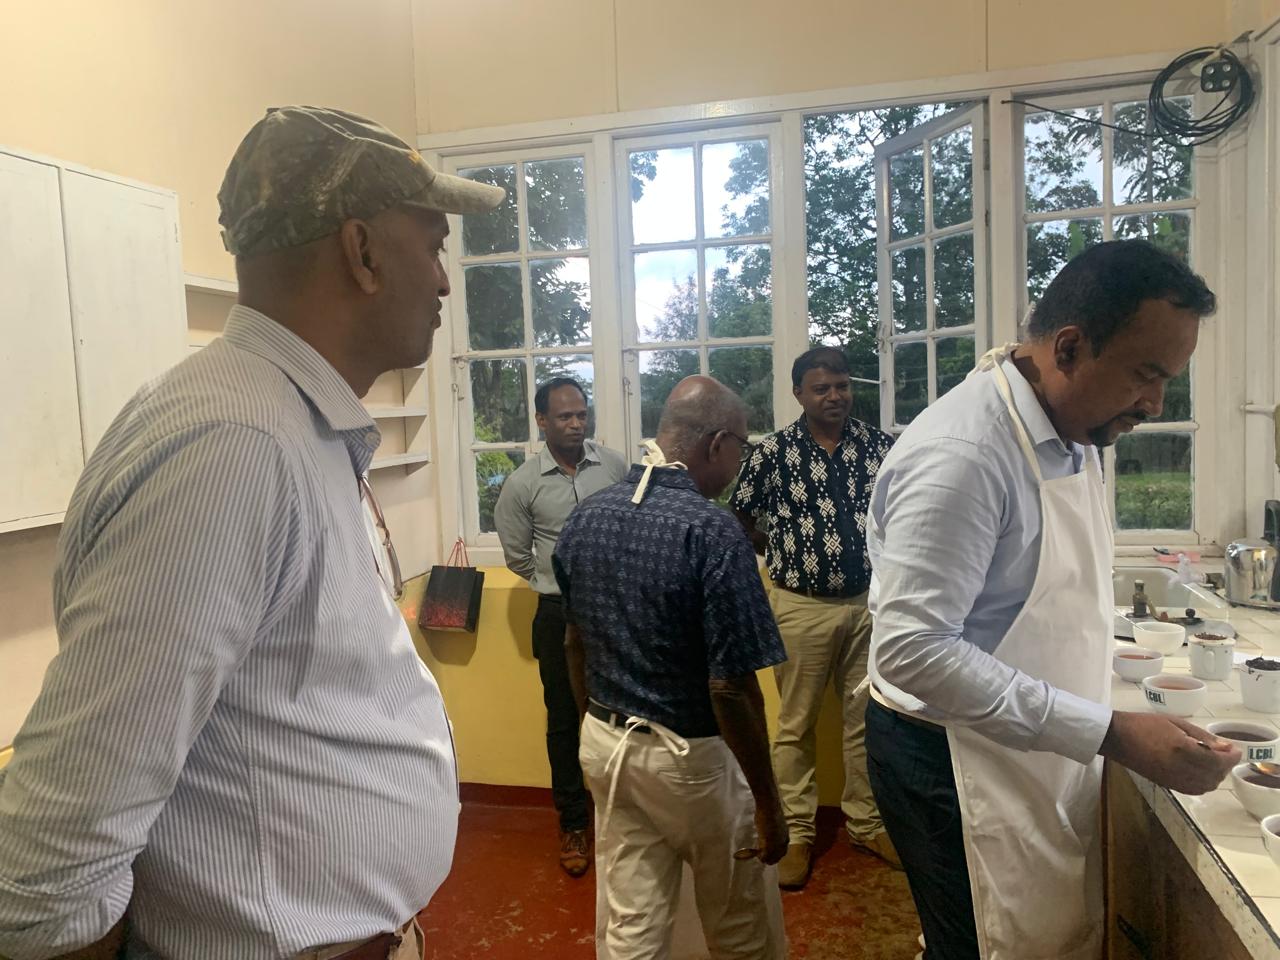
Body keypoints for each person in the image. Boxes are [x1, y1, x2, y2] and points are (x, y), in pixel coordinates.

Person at [0, 107, 504, 960]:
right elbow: (51, 866)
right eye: (434, 246)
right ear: (363, 252)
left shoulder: (281, 422)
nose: (445, 282)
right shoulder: (236, 445)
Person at [864, 240, 1239, 960]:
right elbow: (912, 651)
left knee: (1044, 930)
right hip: (955, 758)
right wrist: (1112, 732)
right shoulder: (965, 455)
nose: (1155, 404)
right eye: (1145, 375)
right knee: (988, 943)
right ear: (1068, 348)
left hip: (1032, 743)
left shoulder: (1074, 427)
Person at [553, 376, 789, 960]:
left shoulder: (587, 516)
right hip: (691, 763)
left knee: (632, 923)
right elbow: (731, 687)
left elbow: (573, 644)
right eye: (741, 449)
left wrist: (593, 729)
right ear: (717, 444)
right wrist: (768, 804)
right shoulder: (713, 531)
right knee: (738, 924)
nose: (738, 465)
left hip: (606, 745)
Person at [730, 346, 896, 889]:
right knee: (795, 725)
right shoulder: (772, 453)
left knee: (866, 721)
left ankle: (867, 824)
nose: (834, 396)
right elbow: (740, 517)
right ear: (799, 393)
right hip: (799, 606)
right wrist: (782, 552)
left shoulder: (880, 447)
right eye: (821, 388)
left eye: (842, 385)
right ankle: (797, 832)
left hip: (868, 604)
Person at [493, 377, 627, 877]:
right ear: (542, 421)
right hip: (557, 616)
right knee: (565, 722)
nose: (576, 424)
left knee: (624, 715)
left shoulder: (613, 466)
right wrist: (556, 583)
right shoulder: (523, 483)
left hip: (615, 611)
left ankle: (626, 819)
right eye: (565, 416)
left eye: (581, 414)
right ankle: (573, 823)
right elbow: (517, 555)